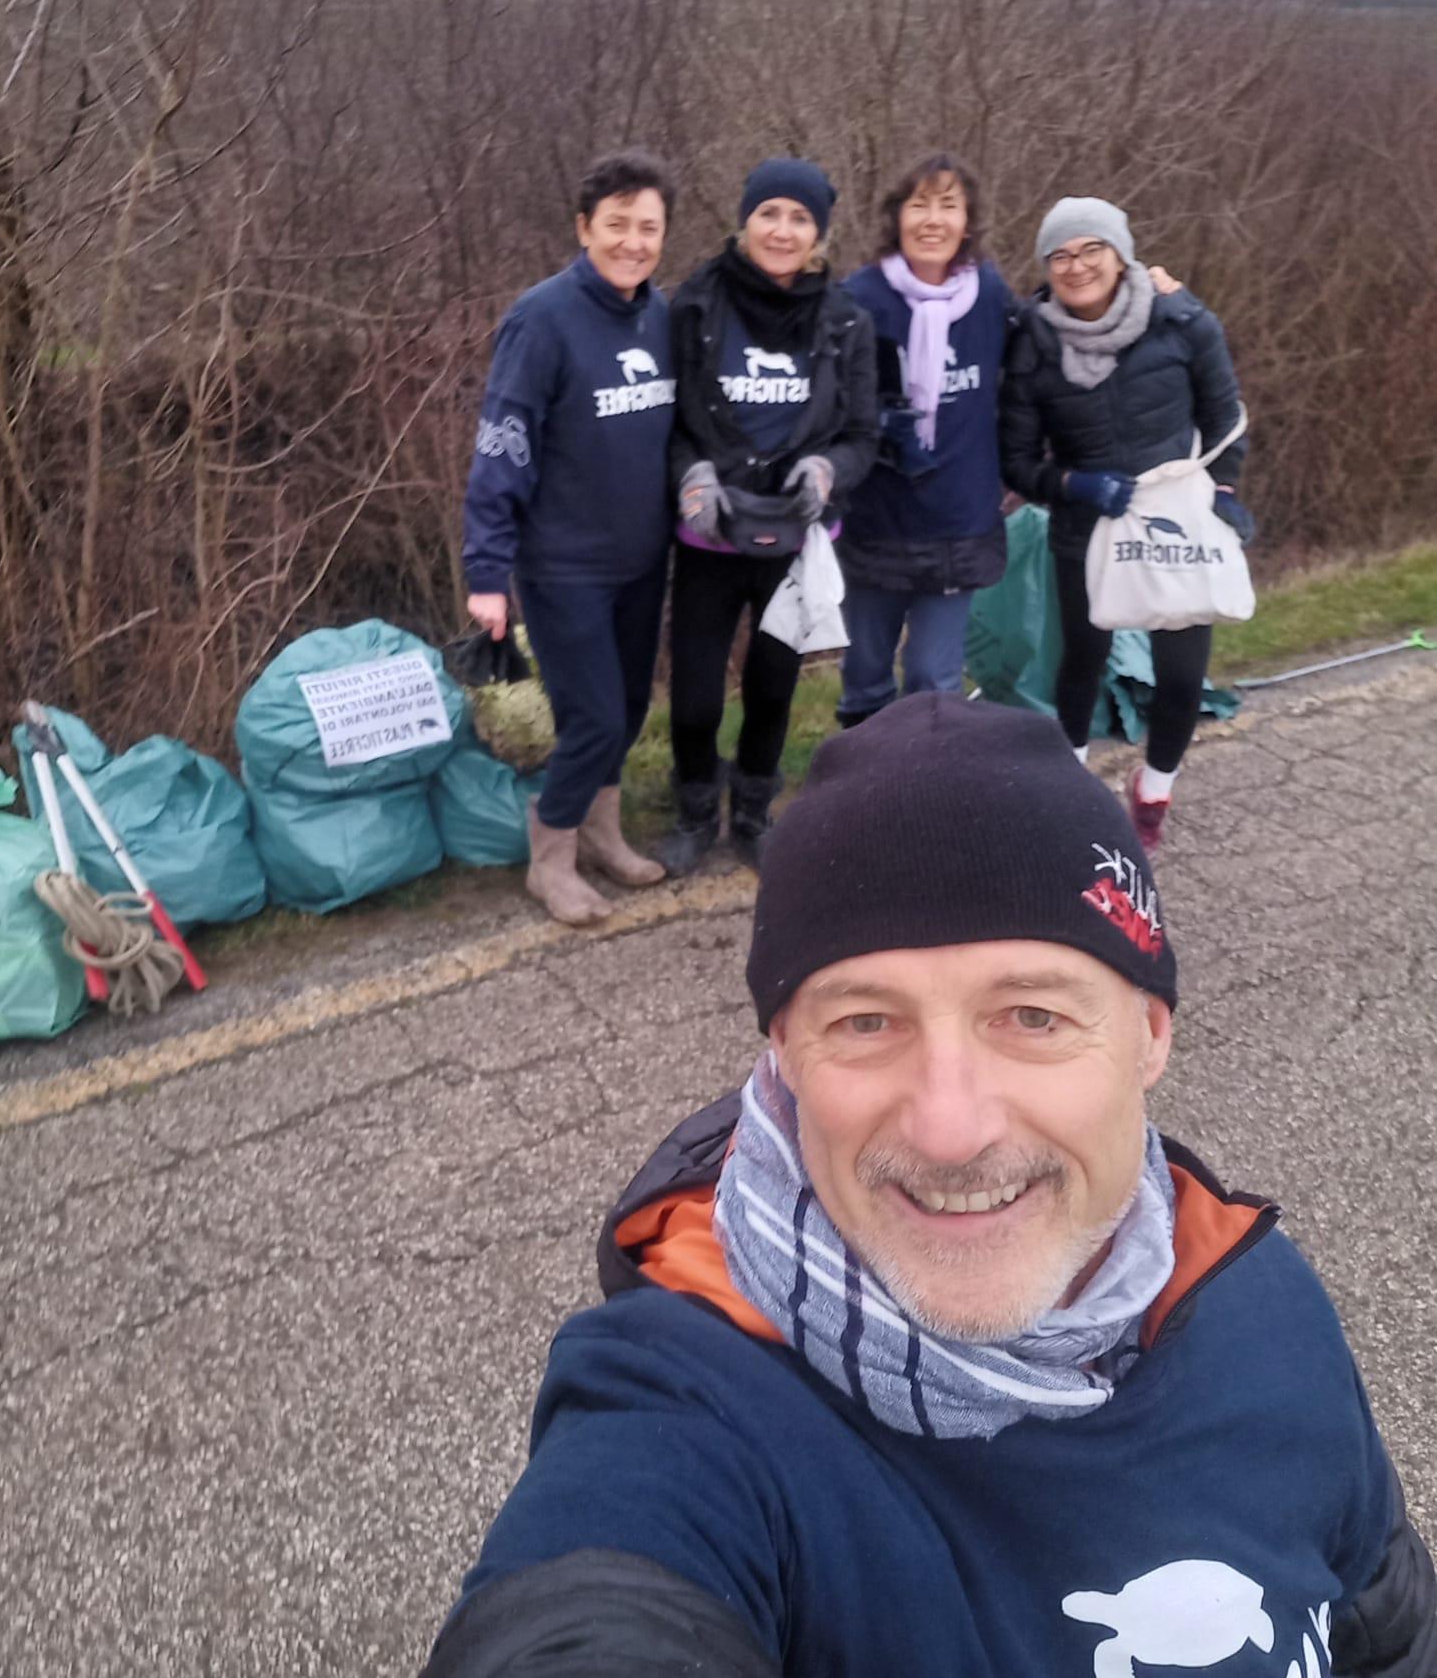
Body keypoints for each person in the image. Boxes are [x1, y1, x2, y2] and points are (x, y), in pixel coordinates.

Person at [422, 694, 1435, 1676]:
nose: (951, 1129)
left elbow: (1391, 1632)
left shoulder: (1261, 1299)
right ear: (784, 1052)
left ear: (1150, 1034)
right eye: (865, 1022)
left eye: (1033, 1016)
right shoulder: (686, 1408)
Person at [461, 150, 676, 927]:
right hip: (564, 567)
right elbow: (503, 444)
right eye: (617, 224)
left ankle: (602, 833)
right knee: (595, 718)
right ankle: (549, 858)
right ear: (584, 227)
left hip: (642, 559)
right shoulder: (542, 319)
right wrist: (487, 571)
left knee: (629, 705)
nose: (632, 242)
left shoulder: (661, 316)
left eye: (648, 228)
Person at [1000, 197, 1253, 851]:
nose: (1077, 266)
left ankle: (1154, 791)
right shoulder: (1032, 343)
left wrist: (1224, 491)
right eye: (1060, 255)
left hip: (1175, 521)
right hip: (1088, 525)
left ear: (1121, 255)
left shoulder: (1182, 320)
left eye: (1092, 249)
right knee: (1082, 662)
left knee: (1181, 676)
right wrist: (1073, 485)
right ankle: (1073, 793)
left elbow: (1225, 417)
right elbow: (1018, 461)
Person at [657, 157, 877, 874]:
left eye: (800, 218)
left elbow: (863, 434)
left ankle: (753, 811)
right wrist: (690, 475)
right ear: (744, 221)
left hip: (797, 538)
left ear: (819, 233)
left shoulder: (847, 321)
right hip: (709, 535)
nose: (782, 231)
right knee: (695, 695)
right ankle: (695, 809)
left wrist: (827, 472)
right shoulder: (694, 306)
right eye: (769, 214)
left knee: (773, 686)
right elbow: (669, 421)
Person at [835, 153, 1012, 726]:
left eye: (948, 206)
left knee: (935, 684)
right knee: (865, 679)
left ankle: (927, 780)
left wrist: (1151, 291)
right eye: (919, 205)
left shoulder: (990, 295)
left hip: (959, 523)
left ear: (968, 221)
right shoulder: (857, 298)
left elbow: (1054, 350)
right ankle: (862, 779)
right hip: (876, 523)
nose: (933, 220)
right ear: (897, 217)